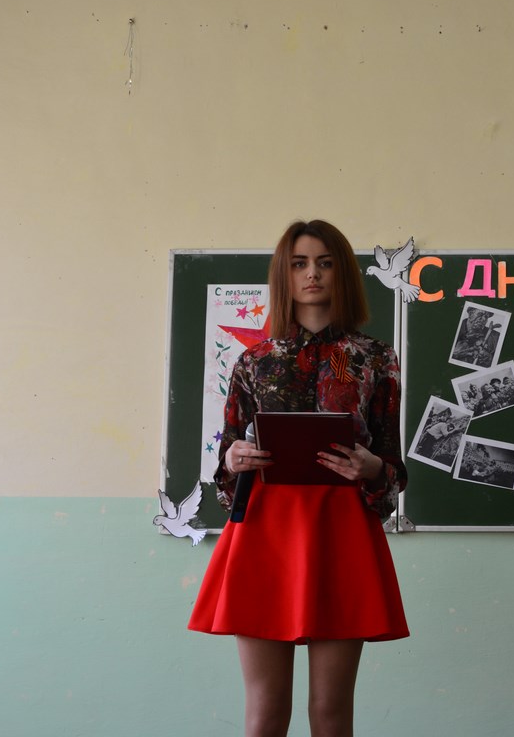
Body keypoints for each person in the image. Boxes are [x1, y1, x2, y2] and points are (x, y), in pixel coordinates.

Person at [188, 219, 409, 737]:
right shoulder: (253, 361)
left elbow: (393, 471)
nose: (313, 274)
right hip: (263, 533)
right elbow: (226, 470)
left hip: (342, 532)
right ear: (283, 275)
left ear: (343, 273)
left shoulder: (376, 358)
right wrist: (235, 459)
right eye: (300, 263)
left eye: (325, 263)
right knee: (265, 713)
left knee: (331, 713)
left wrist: (372, 468)